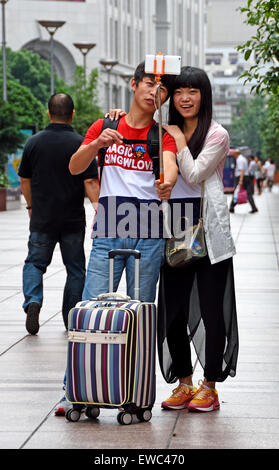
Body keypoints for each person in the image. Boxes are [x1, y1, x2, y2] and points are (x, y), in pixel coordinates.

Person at [54, 62, 178, 416]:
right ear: (133, 84)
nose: (155, 94)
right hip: (109, 229)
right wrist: (95, 143)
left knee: (140, 314)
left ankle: (133, 391)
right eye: (150, 85)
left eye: (162, 90)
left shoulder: (162, 135)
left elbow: (169, 166)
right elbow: (75, 168)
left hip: (149, 232)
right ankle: (75, 390)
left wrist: (166, 183)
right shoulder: (107, 124)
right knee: (91, 310)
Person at [155, 66, 239, 412]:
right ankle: (184, 383)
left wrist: (175, 136)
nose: (185, 98)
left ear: (204, 96)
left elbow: (193, 173)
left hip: (209, 230)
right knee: (171, 310)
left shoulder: (217, 135)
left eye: (193, 91)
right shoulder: (164, 130)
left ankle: (210, 386)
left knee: (211, 309)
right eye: (178, 92)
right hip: (174, 226)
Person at [18, 93, 99, 335]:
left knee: (35, 262)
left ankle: (33, 301)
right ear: (72, 114)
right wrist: (100, 210)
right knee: (75, 269)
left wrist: (31, 206)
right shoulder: (81, 144)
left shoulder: (34, 142)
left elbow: (24, 180)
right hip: (73, 219)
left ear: (48, 112)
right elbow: (90, 181)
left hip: (43, 218)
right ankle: (70, 316)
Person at [229, 148, 258, 214]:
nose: (233, 156)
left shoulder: (239, 159)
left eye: (234, 154)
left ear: (236, 154)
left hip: (241, 177)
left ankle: (231, 207)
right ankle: (254, 208)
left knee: (236, 192)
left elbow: (242, 170)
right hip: (246, 177)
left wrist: (241, 180)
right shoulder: (243, 158)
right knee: (249, 193)